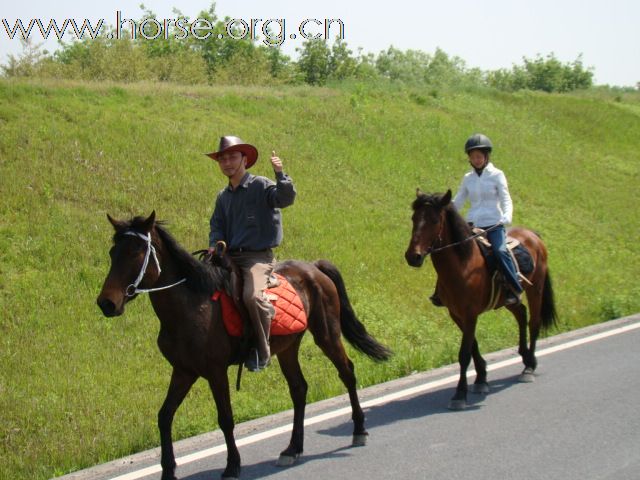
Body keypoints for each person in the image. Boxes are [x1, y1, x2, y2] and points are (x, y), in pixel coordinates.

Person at [206, 135, 296, 371]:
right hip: (229, 256)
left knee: (251, 296)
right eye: (222, 158)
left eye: (232, 157)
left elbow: (285, 199)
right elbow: (217, 226)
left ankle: (263, 351)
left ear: (245, 159)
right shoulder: (222, 197)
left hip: (258, 257)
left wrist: (280, 174)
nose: (227, 162)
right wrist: (214, 244)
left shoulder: (261, 185)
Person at [431, 133, 523, 306]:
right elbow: (458, 201)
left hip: (494, 224)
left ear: (486, 156)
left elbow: (505, 198)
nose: (476, 159)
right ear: (469, 159)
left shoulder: (497, 175)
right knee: (450, 252)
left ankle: (513, 288)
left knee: (500, 251)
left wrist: (506, 215)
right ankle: (440, 292)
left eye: (479, 156)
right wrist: (441, 210)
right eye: (473, 157)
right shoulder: (468, 179)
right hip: (472, 225)